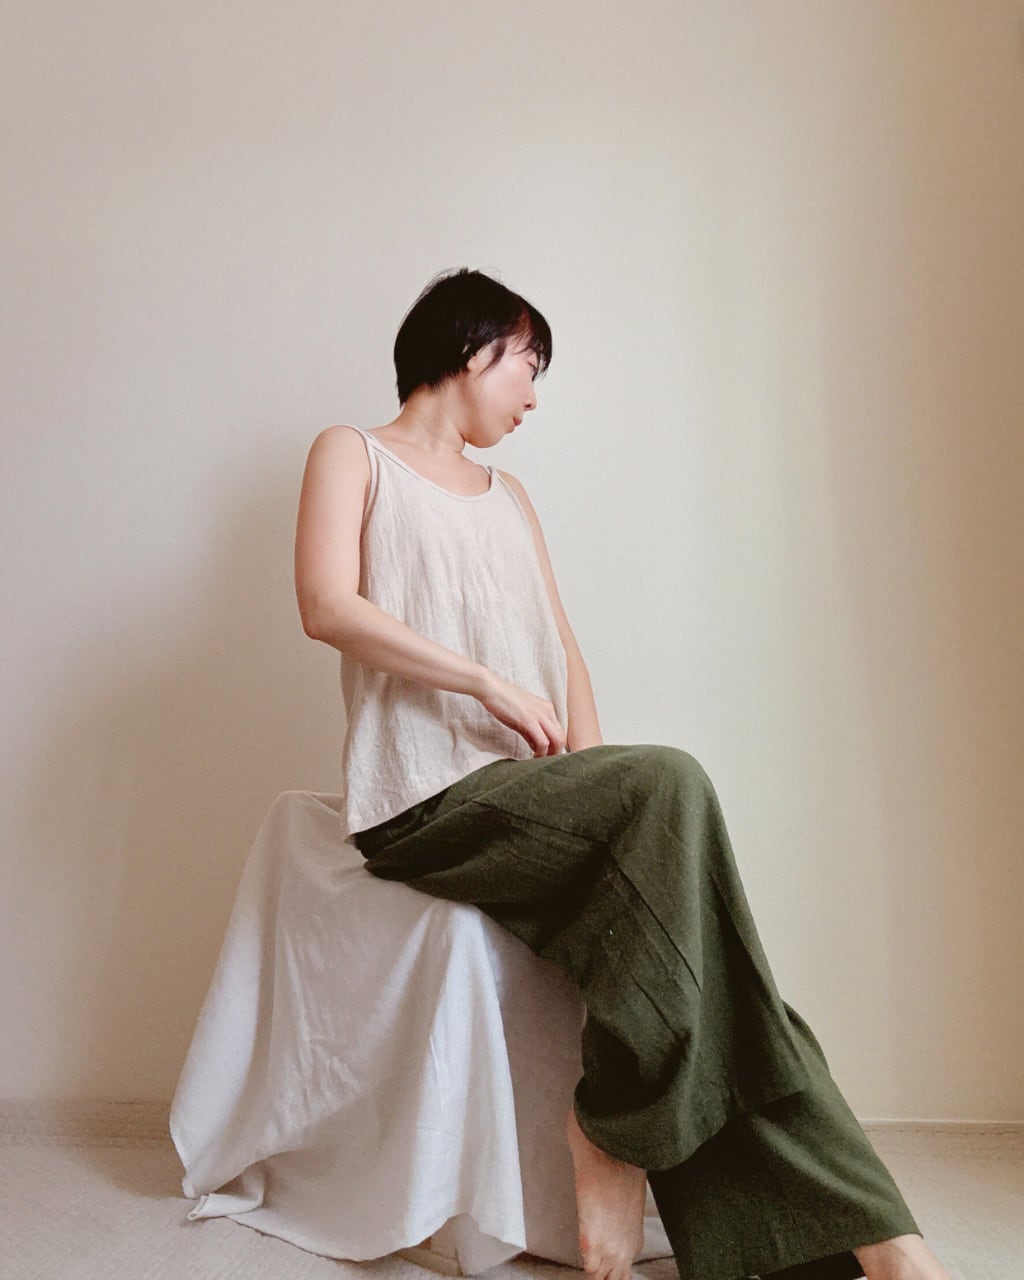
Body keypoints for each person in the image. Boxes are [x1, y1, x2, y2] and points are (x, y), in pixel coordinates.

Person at [293, 268, 953, 1280]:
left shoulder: (510, 496)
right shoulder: (354, 453)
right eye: (527, 364)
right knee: (670, 781)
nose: (533, 394)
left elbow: (562, 648)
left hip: (525, 798)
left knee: (719, 970)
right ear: (469, 347)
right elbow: (326, 605)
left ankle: (868, 1243)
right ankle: (628, 1131)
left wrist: (594, 778)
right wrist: (484, 682)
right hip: (423, 799)